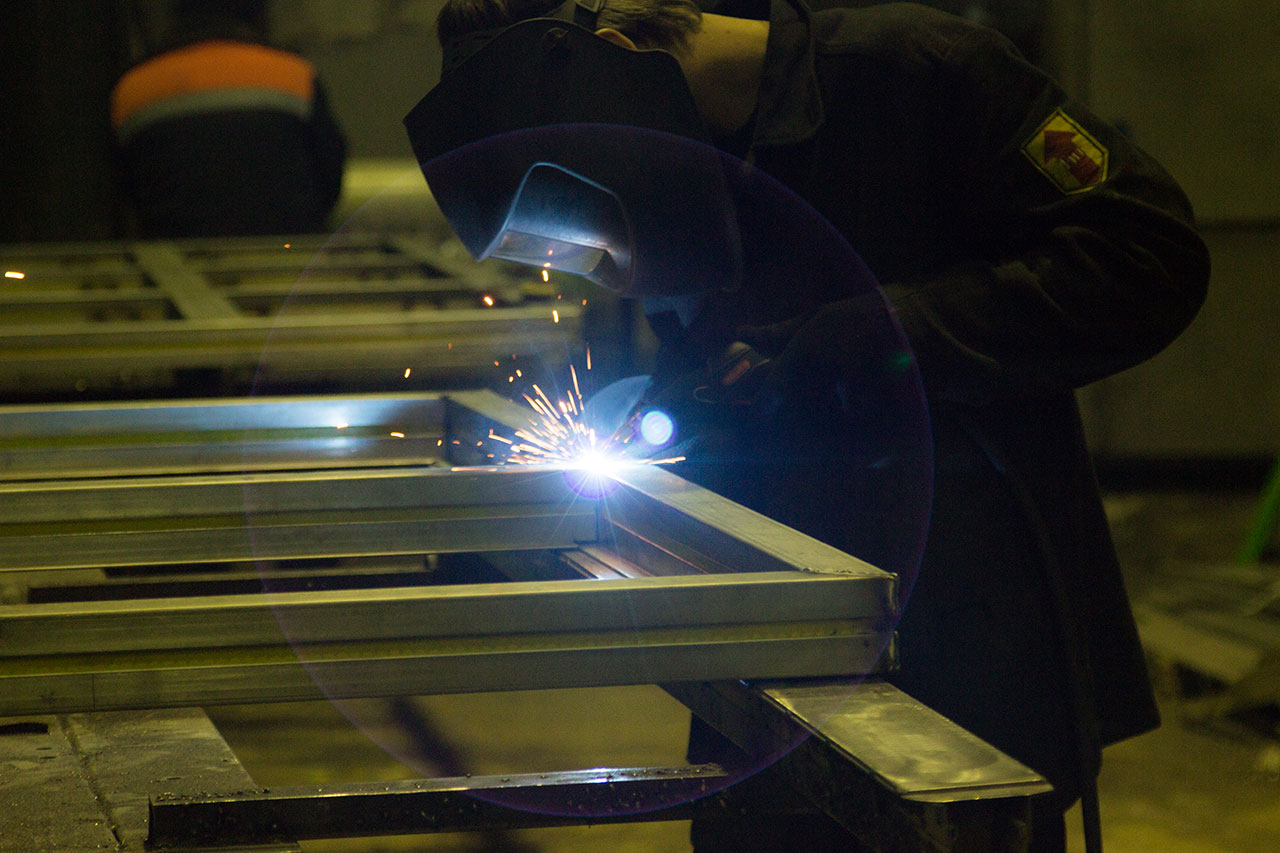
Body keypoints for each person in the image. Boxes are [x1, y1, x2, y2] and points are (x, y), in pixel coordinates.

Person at [414, 0, 1211, 849]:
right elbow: (716, 346)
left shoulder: (924, 75)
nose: (610, 270)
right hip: (771, 652)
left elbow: (1148, 252)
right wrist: (684, 401)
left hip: (973, 636)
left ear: (615, 63)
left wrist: (882, 337)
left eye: (596, 234)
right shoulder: (682, 152)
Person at [110, 0, 346, 237]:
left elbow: (123, 188)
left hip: (172, 251)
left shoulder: (133, 87)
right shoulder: (295, 74)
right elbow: (330, 171)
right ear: (257, 11)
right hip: (287, 248)